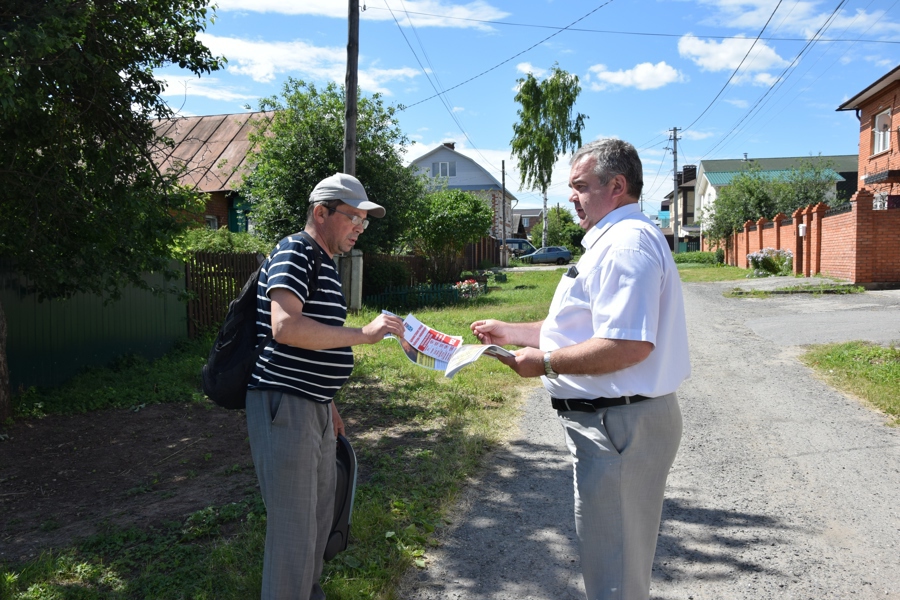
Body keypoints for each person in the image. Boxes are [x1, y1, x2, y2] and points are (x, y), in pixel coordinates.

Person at [471, 139, 690, 600]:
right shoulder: (615, 241)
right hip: (617, 424)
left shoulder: (626, 244)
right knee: (614, 564)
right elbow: (587, 328)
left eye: (580, 186)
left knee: (615, 575)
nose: (571, 196)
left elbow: (628, 345)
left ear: (617, 185)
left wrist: (545, 363)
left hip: (619, 426)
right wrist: (513, 332)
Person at [245, 173, 405, 600]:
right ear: (322, 212)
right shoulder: (296, 250)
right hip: (285, 405)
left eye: (364, 220)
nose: (359, 226)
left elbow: (315, 344)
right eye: (353, 216)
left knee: (316, 521)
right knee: (294, 530)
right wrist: (363, 334)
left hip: (311, 405)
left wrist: (328, 401)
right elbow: (286, 327)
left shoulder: (324, 263)